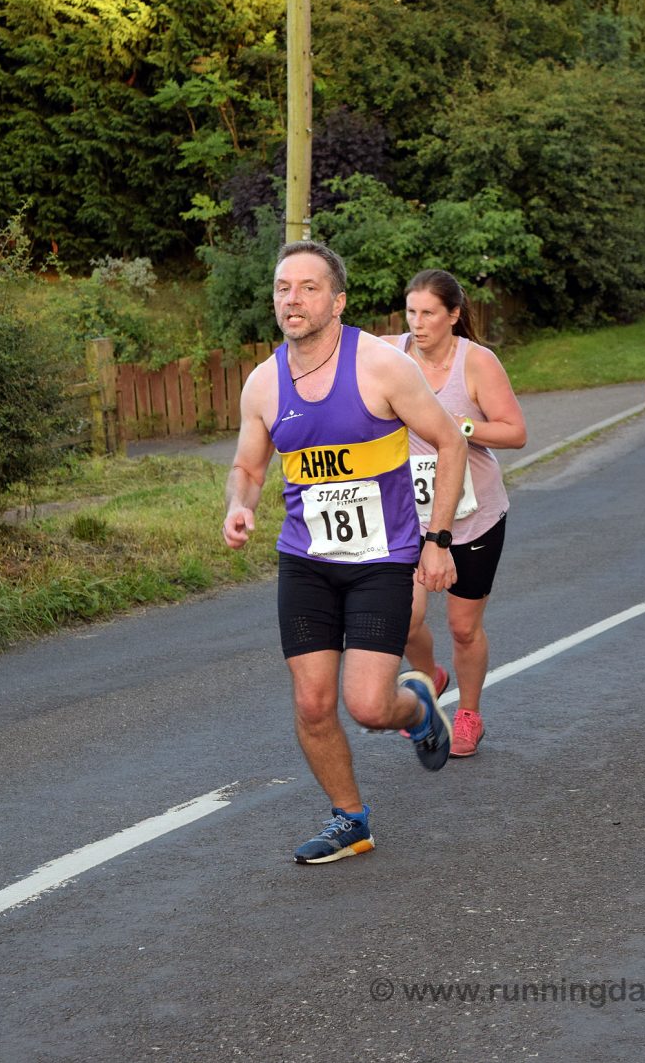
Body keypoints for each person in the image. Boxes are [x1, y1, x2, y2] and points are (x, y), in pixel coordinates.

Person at [222, 241, 468, 864]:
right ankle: (350, 819)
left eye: (308, 287)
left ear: (338, 300)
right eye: (283, 287)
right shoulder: (264, 383)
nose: (292, 298)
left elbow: (449, 444)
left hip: (383, 559)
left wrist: (437, 541)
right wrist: (240, 504)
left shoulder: (381, 367)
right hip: (305, 560)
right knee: (311, 701)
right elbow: (248, 467)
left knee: (367, 705)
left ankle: (416, 713)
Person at [382, 269, 526, 757]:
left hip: (474, 514)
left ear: (454, 316)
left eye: (428, 314)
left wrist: (459, 426)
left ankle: (468, 714)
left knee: (463, 627)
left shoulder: (477, 363)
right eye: (411, 312)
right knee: (402, 619)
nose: (417, 324)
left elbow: (514, 432)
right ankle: (429, 677)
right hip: (411, 515)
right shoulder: (390, 354)